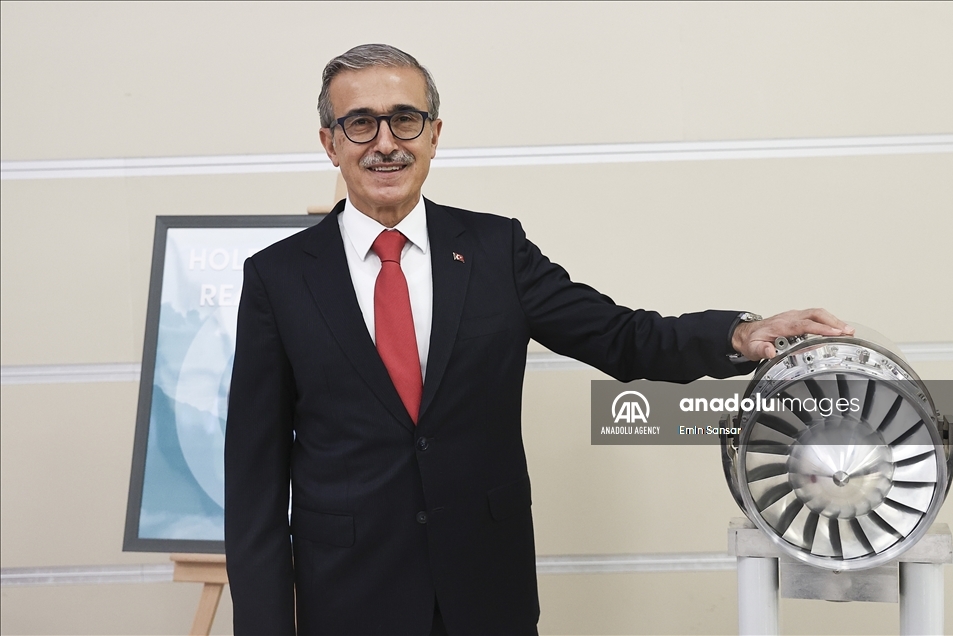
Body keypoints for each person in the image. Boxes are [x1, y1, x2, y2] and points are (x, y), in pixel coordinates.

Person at [224, 43, 854, 635]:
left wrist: (739, 333)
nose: (385, 143)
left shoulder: (496, 249)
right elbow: (254, 481)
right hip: (349, 598)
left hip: (485, 592)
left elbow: (621, 336)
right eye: (361, 124)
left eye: (405, 120)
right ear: (330, 142)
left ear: (435, 135)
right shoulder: (278, 277)